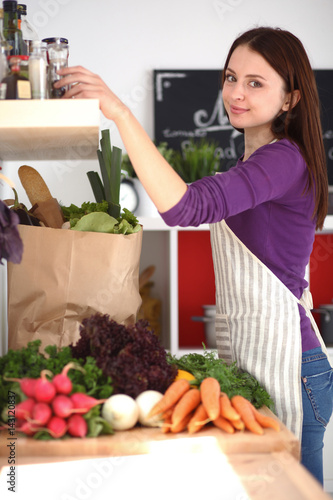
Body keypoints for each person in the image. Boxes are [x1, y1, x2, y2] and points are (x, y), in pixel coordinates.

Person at [56, 26, 333, 485]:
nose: (236, 93)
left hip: (293, 368)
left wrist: (120, 113)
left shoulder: (284, 160)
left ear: (291, 99)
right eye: (230, 77)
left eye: (255, 82)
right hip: (267, 363)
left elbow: (185, 205)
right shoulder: (257, 161)